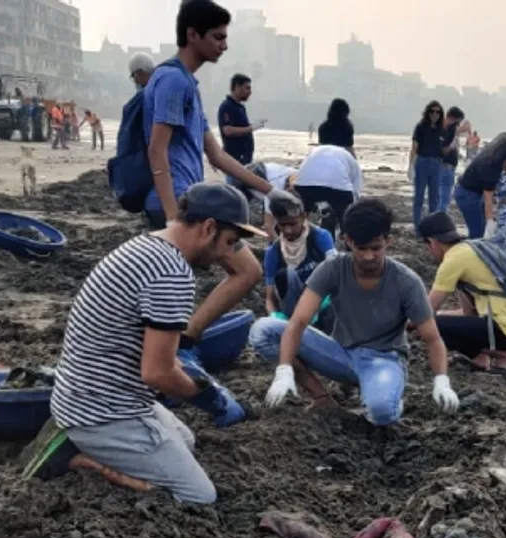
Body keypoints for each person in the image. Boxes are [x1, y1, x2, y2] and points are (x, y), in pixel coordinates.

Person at [45, 184, 264, 504]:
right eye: (229, 242)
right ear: (208, 228)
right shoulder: (170, 273)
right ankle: (85, 462)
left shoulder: (148, 246)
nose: (226, 255)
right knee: (199, 496)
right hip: (102, 413)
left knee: (186, 442)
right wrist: (206, 396)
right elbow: (157, 373)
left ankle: (99, 448)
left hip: (84, 395)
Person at [144, 0, 272, 365]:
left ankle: (179, 343)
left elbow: (217, 156)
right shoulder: (171, 79)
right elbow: (157, 150)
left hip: (187, 201)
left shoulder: (188, 84)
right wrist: (173, 216)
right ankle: (178, 346)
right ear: (192, 35)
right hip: (179, 202)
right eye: (218, 37)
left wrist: (270, 189)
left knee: (174, 286)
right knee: (245, 271)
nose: (224, 45)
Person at [254, 198, 460, 423]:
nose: (369, 256)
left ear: (388, 241)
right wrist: (284, 369)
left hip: (383, 359)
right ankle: (322, 397)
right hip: (340, 352)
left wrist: (442, 380)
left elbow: (432, 338)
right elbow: (298, 322)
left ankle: (388, 397)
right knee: (264, 330)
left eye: (376, 248)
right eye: (361, 248)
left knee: (381, 412)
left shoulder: (406, 281)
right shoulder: (333, 269)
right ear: (347, 241)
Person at [419, 206, 506, 372]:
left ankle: (503, 355)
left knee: (429, 325)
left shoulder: (453, 259)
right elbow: (469, 314)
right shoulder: (472, 249)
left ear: (432, 242)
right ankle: (481, 359)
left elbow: (426, 312)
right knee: (441, 320)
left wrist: (401, 321)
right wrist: (442, 315)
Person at [261, 190, 336, 331]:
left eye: (292, 224)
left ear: (303, 217)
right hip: (292, 308)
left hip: (321, 304)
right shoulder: (273, 252)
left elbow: (336, 273)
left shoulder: (320, 237)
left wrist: (323, 304)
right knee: (285, 274)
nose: (288, 230)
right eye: (283, 225)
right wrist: (274, 315)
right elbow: (269, 297)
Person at [454, 136, 506, 239]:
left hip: (471, 192)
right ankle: (474, 251)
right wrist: (490, 219)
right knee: (478, 232)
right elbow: (488, 198)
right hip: (468, 194)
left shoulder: (491, 156)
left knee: (480, 229)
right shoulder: (492, 167)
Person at [292, 143, 362, 235]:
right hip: (337, 188)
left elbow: (303, 170)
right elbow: (356, 191)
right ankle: (347, 237)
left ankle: (297, 233)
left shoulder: (315, 150)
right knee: (346, 220)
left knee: (299, 216)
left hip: (304, 184)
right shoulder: (351, 159)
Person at [408, 100, 445, 227]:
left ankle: (431, 229)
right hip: (422, 163)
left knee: (434, 199)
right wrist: (410, 166)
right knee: (419, 197)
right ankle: (418, 229)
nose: (435, 114)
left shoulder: (441, 129)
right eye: (432, 111)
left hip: (437, 164)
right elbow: (414, 148)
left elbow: (444, 149)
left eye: (438, 112)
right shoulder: (421, 127)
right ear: (427, 112)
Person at [219, 73, 262, 165]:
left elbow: (241, 127)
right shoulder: (227, 106)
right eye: (247, 88)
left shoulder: (240, 107)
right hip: (235, 161)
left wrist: (253, 125)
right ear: (237, 87)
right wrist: (251, 128)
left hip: (244, 160)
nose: (250, 92)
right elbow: (227, 130)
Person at [438, 106, 468, 213]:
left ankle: (436, 218)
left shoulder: (439, 128)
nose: (458, 125)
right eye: (458, 122)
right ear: (456, 119)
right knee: (444, 198)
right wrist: (452, 147)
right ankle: (441, 220)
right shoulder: (451, 128)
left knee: (439, 196)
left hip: (439, 166)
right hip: (447, 166)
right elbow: (445, 148)